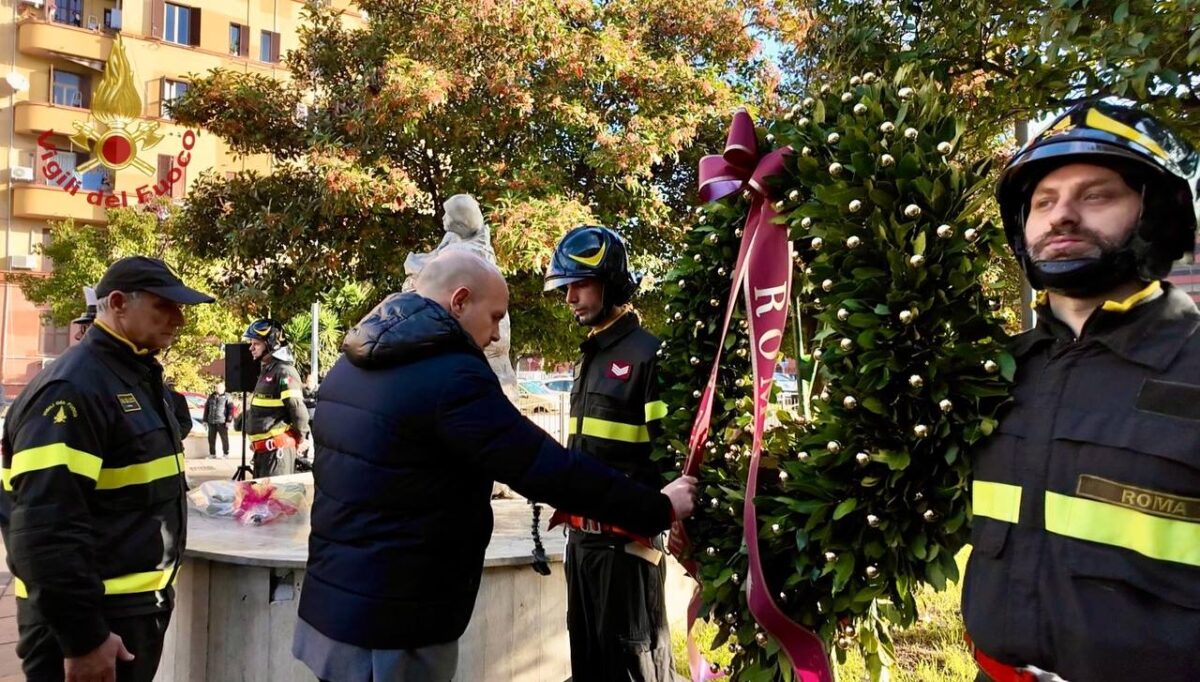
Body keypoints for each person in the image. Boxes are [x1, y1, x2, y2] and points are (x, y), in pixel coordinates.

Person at [292, 249, 697, 682]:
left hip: (332, 608)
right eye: (495, 317)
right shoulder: (451, 376)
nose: (496, 335)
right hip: (396, 621)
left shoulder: (350, 364)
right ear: (460, 301)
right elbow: (544, 467)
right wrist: (657, 508)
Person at [965, 101, 1200, 682]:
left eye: (1095, 195)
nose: (1062, 216)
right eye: (1044, 202)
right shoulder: (990, 379)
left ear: (1157, 216)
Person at [0, 256, 214, 681]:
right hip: (90, 623)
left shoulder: (131, 376)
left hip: (129, 615)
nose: (179, 320)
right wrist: (84, 638)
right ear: (117, 303)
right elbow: (45, 529)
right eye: (163, 306)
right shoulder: (75, 387)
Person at [543, 225, 673, 680]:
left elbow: (669, 463)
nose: (569, 298)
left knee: (632, 666)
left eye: (578, 285)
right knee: (589, 667)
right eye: (566, 287)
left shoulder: (649, 356)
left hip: (627, 552)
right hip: (582, 547)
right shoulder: (588, 358)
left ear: (611, 282)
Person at [242, 319, 310, 478]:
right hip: (264, 455)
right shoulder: (267, 371)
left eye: (256, 343)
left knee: (276, 502)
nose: (251, 348)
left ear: (272, 343)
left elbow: (297, 408)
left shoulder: (284, 371)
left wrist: (302, 436)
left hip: (277, 455)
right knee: (263, 502)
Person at [203, 382, 234, 458]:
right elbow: (206, 408)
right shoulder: (211, 396)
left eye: (220, 388)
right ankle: (212, 454)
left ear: (224, 389)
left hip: (222, 422)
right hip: (211, 421)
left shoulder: (227, 397)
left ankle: (226, 453)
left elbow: (231, 410)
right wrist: (205, 420)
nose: (218, 389)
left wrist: (229, 421)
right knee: (211, 439)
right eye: (217, 388)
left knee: (224, 439)